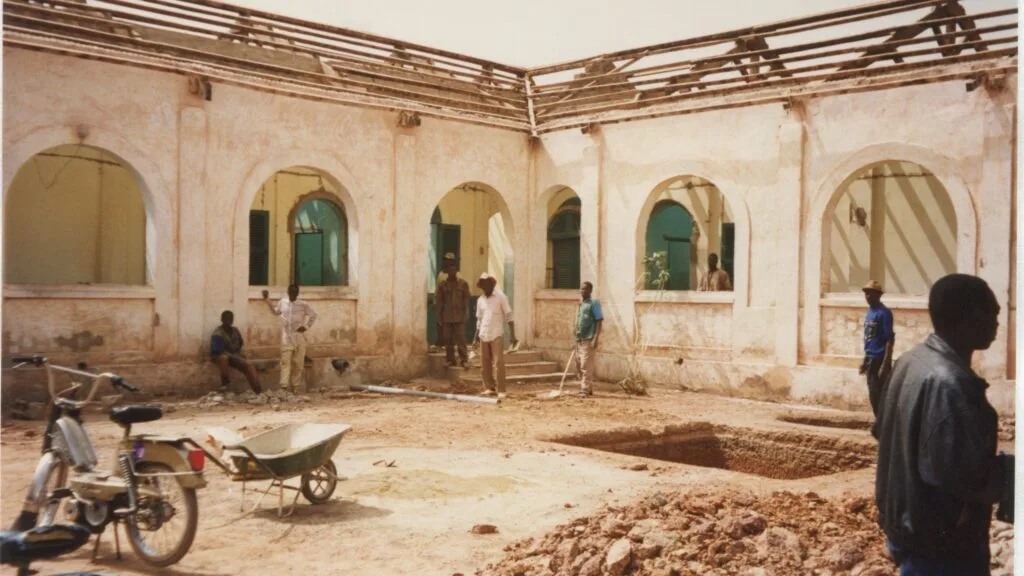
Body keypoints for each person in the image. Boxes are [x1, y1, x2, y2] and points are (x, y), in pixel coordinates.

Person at [874, 273, 1013, 575]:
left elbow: (883, 432)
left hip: (906, 530)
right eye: (990, 310)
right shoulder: (951, 385)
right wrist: (1009, 475)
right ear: (965, 316)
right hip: (940, 548)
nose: (997, 320)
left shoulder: (911, 361)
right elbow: (957, 475)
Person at [262, 284, 317, 393]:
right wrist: (267, 299)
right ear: (288, 292)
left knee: (298, 363)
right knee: (285, 362)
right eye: (291, 292)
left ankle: (295, 387)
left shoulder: (303, 305)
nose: (292, 294)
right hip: (286, 336)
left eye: (295, 292)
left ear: (297, 293)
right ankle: (284, 387)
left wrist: (305, 327)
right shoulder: (283, 302)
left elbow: (313, 315)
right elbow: (275, 312)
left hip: (299, 337)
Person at [473, 273, 517, 399]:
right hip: (483, 334)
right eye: (484, 284)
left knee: (498, 363)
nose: (486, 286)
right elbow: (479, 320)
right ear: (481, 286)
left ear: (492, 284)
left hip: (497, 333)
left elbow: (509, 315)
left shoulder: (501, 297)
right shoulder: (480, 300)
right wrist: (475, 337)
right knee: (485, 362)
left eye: (488, 283)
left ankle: (502, 389)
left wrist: (513, 335)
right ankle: (489, 387)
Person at [859, 280, 895, 417]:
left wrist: (885, 364)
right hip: (870, 358)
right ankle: (880, 422)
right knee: (874, 394)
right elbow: (869, 339)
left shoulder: (884, 313)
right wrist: (865, 360)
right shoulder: (870, 313)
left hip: (879, 359)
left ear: (878, 295)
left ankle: (882, 424)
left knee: (879, 394)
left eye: (870, 293)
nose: (867, 296)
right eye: (866, 293)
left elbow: (889, 339)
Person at [210, 310, 262, 394]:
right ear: (222, 319)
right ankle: (225, 384)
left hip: (234, 355)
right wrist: (236, 357)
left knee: (249, 367)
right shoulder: (217, 333)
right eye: (226, 319)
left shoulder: (235, 331)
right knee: (224, 358)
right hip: (219, 356)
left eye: (230, 319)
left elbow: (240, 343)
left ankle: (258, 391)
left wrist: (238, 357)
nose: (229, 321)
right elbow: (218, 351)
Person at [435, 252, 471, 368]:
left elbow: (466, 300)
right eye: (449, 270)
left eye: (454, 270)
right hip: (447, 316)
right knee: (447, 339)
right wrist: (439, 316)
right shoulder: (442, 285)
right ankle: (450, 359)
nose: (452, 272)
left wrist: (466, 313)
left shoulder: (463, 283)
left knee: (461, 339)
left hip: (459, 316)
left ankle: (464, 359)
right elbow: (439, 301)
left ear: (456, 271)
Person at [574, 281, 603, 398]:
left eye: (586, 289)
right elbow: (577, 319)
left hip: (589, 338)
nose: (583, 291)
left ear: (590, 291)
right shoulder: (580, 304)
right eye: (581, 289)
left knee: (586, 366)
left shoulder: (594, 303)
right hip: (579, 338)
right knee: (579, 365)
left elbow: (599, 320)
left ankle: (584, 389)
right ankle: (588, 388)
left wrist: (596, 337)